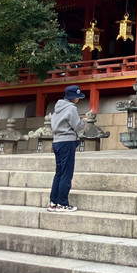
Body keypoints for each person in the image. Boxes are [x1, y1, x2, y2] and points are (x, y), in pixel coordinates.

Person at [49, 84, 86, 212]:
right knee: (66, 173)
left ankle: (53, 202)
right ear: (73, 98)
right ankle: (63, 203)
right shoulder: (71, 109)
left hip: (57, 142)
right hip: (67, 142)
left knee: (59, 172)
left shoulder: (57, 109)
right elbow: (77, 126)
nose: (78, 99)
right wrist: (84, 121)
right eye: (78, 97)